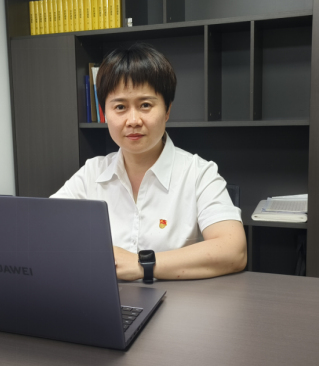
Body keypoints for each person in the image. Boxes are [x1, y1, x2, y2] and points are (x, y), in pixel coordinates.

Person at [51, 43, 247, 281]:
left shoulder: (199, 173)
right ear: (105, 113)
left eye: (145, 105)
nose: (133, 120)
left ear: (167, 110)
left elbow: (233, 251)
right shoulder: (92, 173)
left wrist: (142, 264)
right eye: (120, 107)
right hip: (108, 298)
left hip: (179, 301)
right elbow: (45, 231)